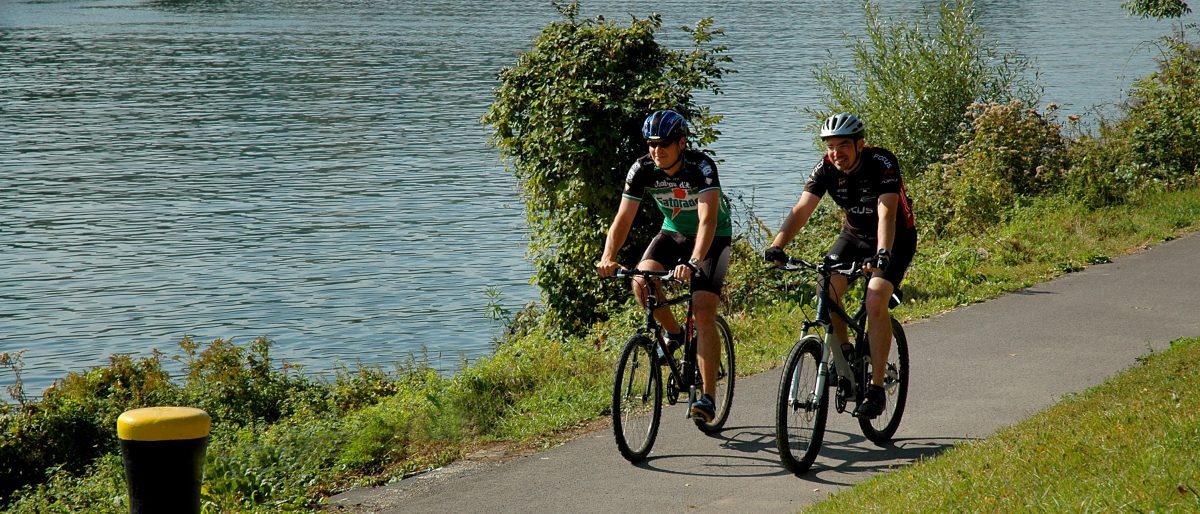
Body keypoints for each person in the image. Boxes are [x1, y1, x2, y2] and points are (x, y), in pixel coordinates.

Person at [764, 112, 916, 419]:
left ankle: (876, 389)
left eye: (843, 145)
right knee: (825, 288)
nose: (836, 153)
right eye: (831, 146)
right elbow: (802, 208)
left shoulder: (882, 163)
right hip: (854, 236)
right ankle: (845, 354)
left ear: (860, 144)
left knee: (875, 297)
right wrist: (777, 245)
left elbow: (886, 212)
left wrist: (882, 253)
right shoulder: (826, 168)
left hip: (895, 239)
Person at [597, 109, 733, 423]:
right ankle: (675, 334)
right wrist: (608, 256)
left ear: (681, 143)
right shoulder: (642, 169)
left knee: (703, 309)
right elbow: (623, 218)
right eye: (651, 144)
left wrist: (694, 261)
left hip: (713, 237)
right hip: (673, 232)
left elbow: (708, 220)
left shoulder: (701, 167)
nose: (656, 150)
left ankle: (708, 397)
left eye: (663, 144)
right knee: (641, 281)